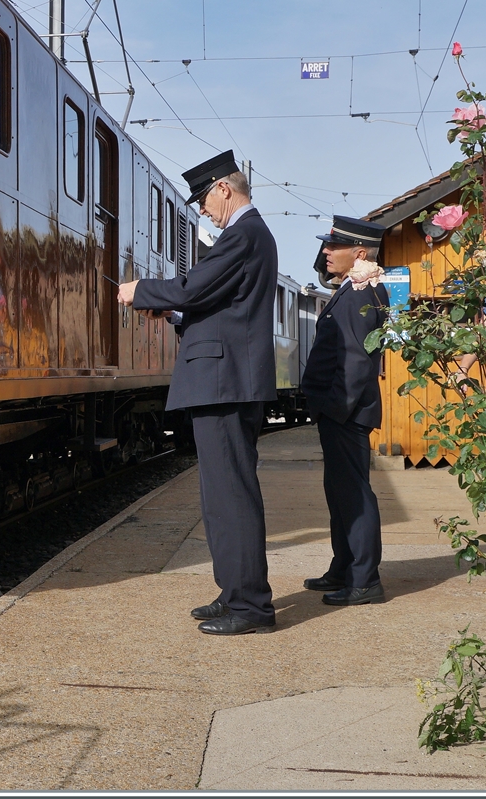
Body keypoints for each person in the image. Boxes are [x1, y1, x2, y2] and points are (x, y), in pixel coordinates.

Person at [117, 150, 278, 635]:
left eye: (204, 200)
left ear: (224, 188)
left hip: (225, 383)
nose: (203, 211)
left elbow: (193, 287)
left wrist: (141, 291)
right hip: (223, 380)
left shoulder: (244, 234)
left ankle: (251, 606)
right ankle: (234, 592)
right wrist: (175, 315)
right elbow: (218, 304)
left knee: (231, 495)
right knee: (220, 497)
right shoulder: (249, 235)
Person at [300, 216, 390, 606]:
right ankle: (344, 567)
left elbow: (355, 360)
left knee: (354, 495)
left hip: (346, 413)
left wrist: (335, 409)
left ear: (359, 253)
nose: (325, 251)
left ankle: (365, 579)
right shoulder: (353, 289)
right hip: (341, 411)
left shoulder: (360, 294)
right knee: (340, 493)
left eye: (333, 246)